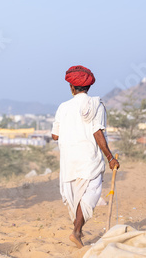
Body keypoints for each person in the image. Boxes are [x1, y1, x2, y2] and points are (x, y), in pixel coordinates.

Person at [51, 65, 120, 248]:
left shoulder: (63, 107)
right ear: (88, 87)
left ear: (72, 88)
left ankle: (77, 230)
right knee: (91, 193)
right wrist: (110, 157)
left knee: (75, 196)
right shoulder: (96, 104)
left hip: (69, 160)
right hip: (89, 157)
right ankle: (77, 231)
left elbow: (55, 136)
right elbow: (97, 132)